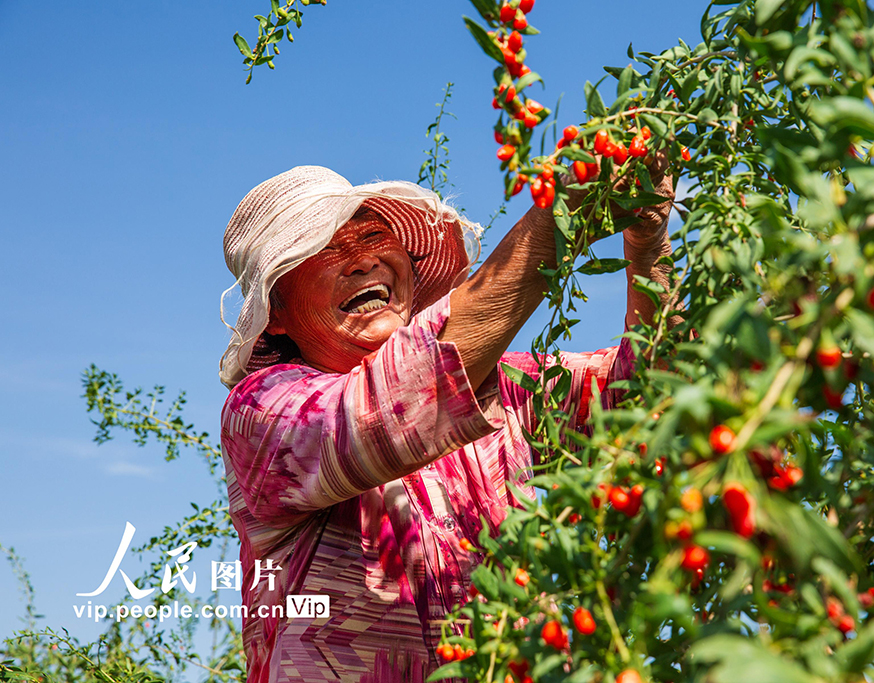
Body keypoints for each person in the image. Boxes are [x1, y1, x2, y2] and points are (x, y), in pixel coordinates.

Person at [218, 163, 675, 682]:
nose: (361, 260)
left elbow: (651, 395)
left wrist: (648, 239)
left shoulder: (502, 385)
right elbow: (391, 404)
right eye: (322, 250)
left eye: (373, 236)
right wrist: (556, 219)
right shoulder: (262, 411)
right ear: (276, 312)